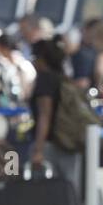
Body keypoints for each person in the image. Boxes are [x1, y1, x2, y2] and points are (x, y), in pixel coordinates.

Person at [28, 36, 82, 186]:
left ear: (41, 59)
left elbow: (45, 115)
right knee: (69, 188)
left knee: (44, 190)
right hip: (68, 142)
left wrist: (38, 149)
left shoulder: (44, 80)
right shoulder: (63, 78)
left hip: (49, 144)